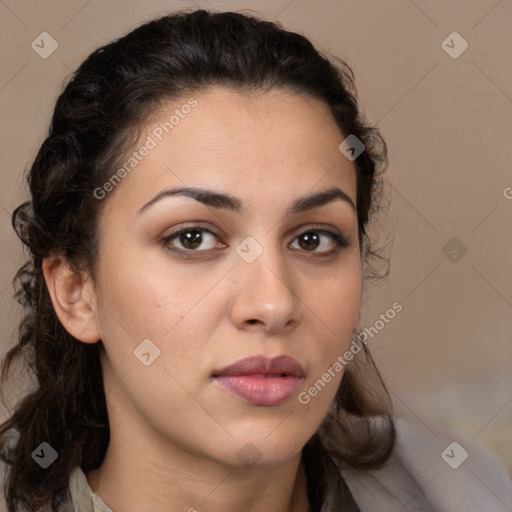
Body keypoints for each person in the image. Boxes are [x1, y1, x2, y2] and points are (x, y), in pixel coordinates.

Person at [0, 9, 510, 512]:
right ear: (75, 292)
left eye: (313, 239)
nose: (272, 303)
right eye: (194, 238)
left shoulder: (466, 488)